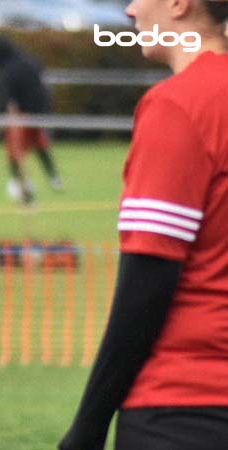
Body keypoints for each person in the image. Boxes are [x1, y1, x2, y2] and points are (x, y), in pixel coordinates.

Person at [60, 1, 228, 449]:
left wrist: (88, 425)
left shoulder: (180, 105)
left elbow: (149, 280)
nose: (131, 11)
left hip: (185, 406)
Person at [0, 35, 63, 206]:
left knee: (15, 153)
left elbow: (9, 100)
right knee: (40, 145)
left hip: (21, 116)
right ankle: (54, 178)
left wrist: (11, 116)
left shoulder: (7, 71)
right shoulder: (30, 61)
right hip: (40, 113)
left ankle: (24, 191)